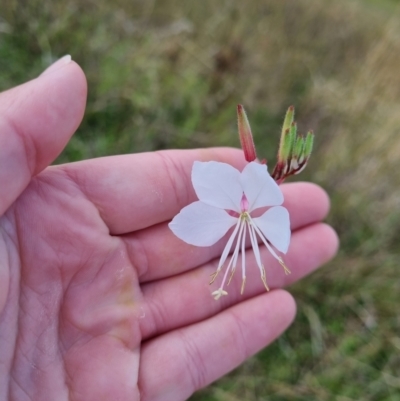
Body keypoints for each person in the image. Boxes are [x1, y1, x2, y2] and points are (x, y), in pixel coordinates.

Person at [0, 57, 338, 401]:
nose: (245, 222)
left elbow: (264, 195)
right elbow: (233, 192)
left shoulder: (265, 200)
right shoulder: (227, 186)